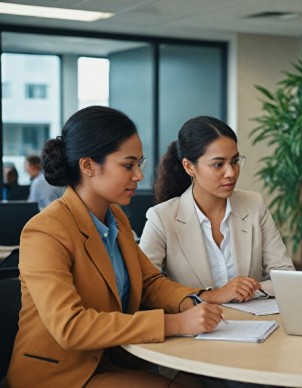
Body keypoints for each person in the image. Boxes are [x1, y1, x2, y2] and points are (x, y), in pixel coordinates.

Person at [6, 106, 239, 387]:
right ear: (89, 166)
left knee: (198, 378)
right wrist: (175, 324)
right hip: (61, 376)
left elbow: (151, 282)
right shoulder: (46, 231)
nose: (139, 175)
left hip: (114, 359)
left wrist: (193, 302)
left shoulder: (115, 217)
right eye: (128, 165)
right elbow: (70, 327)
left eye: (139, 164)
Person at [139, 116, 294, 299]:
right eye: (218, 164)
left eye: (235, 161)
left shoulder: (254, 205)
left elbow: (285, 276)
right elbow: (146, 288)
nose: (231, 173)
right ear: (189, 167)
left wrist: (250, 289)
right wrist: (213, 296)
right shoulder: (161, 218)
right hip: (196, 325)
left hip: (254, 323)